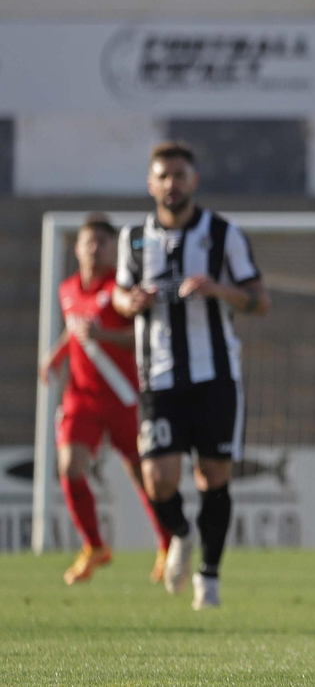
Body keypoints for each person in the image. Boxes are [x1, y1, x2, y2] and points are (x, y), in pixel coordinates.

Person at [113, 141, 270, 610]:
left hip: (215, 376)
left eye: (179, 175)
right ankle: (180, 534)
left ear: (193, 181)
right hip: (158, 377)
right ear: (150, 183)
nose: (171, 184)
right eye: (163, 176)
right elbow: (119, 298)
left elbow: (260, 301)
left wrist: (218, 288)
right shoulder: (134, 239)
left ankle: (211, 578)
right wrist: (131, 302)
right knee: (158, 479)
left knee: (214, 475)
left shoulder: (222, 233)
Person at [41, 213, 172, 585]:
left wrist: (103, 337)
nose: (96, 248)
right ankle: (95, 546)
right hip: (82, 397)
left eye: (104, 242)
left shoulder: (120, 289)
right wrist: (55, 355)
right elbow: (75, 329)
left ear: (115, 249)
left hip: (123, 396)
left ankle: (166, 544)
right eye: (90, 242)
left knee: (142, 475)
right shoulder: (67, 289)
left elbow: (139, 338)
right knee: (69, 467)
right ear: (77, 247)